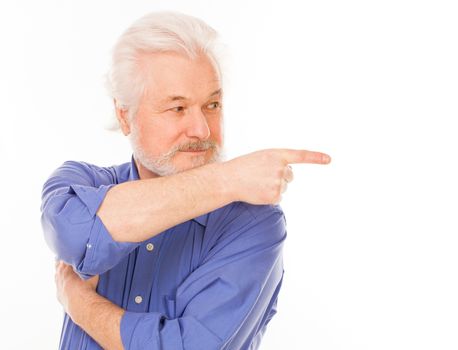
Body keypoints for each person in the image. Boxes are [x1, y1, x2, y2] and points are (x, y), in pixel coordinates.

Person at [40, 11, 331, 350]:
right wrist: (227, 178)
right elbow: (81, 239)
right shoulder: (81, 183)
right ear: (125, 115)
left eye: (212, 104)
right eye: (178, 108)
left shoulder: (254, 225)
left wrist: (81, 306)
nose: (202, 130)